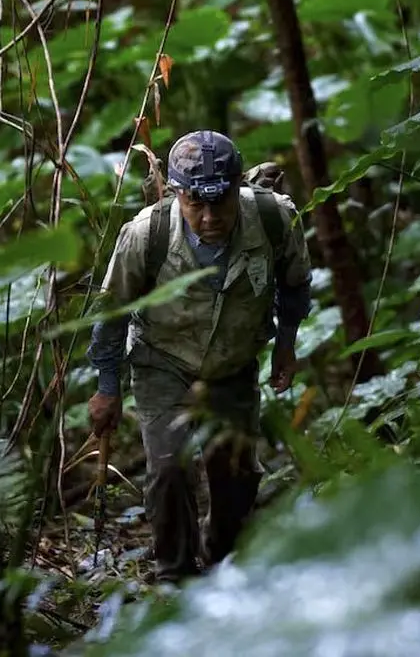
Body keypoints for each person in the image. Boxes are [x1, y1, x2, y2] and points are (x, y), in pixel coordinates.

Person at [86, 129, 312, 582]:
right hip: (161, 360)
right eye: (196, 204)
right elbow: (110, 313)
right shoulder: (145, 234)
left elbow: (295, 283)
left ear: (237, 191)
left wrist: (285, 344)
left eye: (220, 202)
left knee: (237, 475)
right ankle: (174, 574)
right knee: (169, 469)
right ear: (175, 194)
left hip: (232, 363)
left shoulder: (272, 218)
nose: (209, 217)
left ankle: (222, 563)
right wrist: (107, 389)